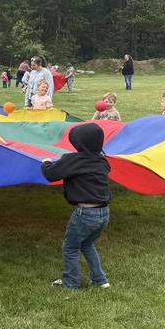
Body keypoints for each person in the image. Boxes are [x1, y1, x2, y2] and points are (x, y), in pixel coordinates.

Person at [41, 123, 112, 290]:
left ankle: (71, 283)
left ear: (79, 143)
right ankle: (101, 280)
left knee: (70, 247)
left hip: (85, 213)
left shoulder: (73, 160)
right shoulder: (102, 161)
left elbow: (51, 174)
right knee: (87, 244)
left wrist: (45, 163)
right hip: (104, 213)